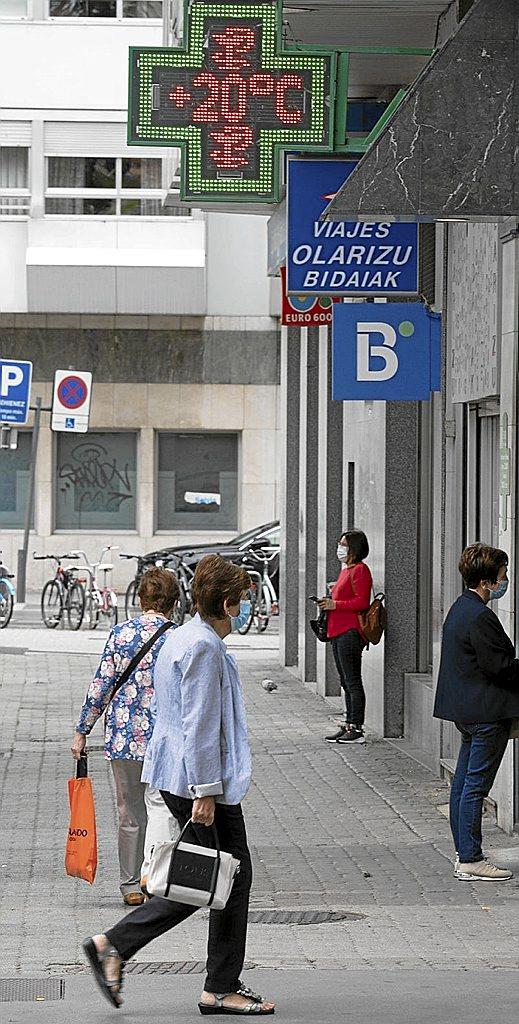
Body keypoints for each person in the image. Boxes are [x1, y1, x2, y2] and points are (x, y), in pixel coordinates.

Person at [82, 555, 275, 1016]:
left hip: (178, 775)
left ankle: (140, 954)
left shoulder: (183, 637)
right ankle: (200, 979)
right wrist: (206, 790)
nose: (245, 608)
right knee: (222, 877)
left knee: (218, 875)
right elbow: (200, 724)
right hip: (198, 782)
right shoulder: (204, 647)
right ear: (226, 604)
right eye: (242, 600)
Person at [71, 567, 180, 906]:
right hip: (165, 738)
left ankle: (130, 885)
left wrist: (82, 730)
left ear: (141, 599)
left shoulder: (120, 634)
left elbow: (101, 685)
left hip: (124, 737)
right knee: (162, 807)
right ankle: (155, 876)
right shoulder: (179, 638)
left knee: (129, 811)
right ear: (174, 602)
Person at [434, 543, 519, 881]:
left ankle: (464, 854)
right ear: (486, 582)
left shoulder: (461, 608)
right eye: (503, 575)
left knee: (463, 785)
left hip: (468, 711)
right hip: (486, 713)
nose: (505, 580)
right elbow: (500, 667)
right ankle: (470, 858)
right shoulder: (481, 616)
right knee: (475, 787)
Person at [318, 529, 372, 745]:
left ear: (354, 549)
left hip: (350, 632)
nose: (339, 548)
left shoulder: (360, 570)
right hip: (337, 631)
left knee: (352, 680)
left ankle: (357, 727)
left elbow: (362, 602)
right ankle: (349, 723)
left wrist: (335, 604)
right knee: (345, 680)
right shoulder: (346, 570)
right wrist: (329, 601)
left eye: (344, 545)